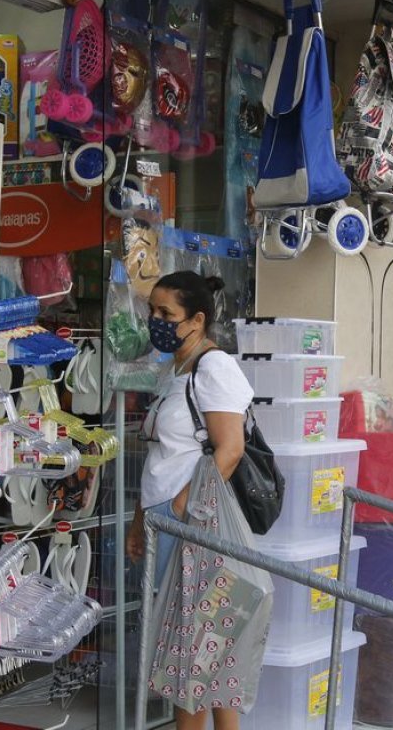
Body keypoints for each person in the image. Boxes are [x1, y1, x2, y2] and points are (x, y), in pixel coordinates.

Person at [125, 271, 253, 730]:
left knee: (191, 658)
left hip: (194, 523)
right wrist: (141, 520)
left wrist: (180, 510)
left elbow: (230, 450)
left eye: (166, 314)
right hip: (166, 519)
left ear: (196, 320)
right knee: (204, 650)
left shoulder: (213, 367)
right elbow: (163, 454)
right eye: (151, 312)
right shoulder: (174, 369)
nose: (155, 321)